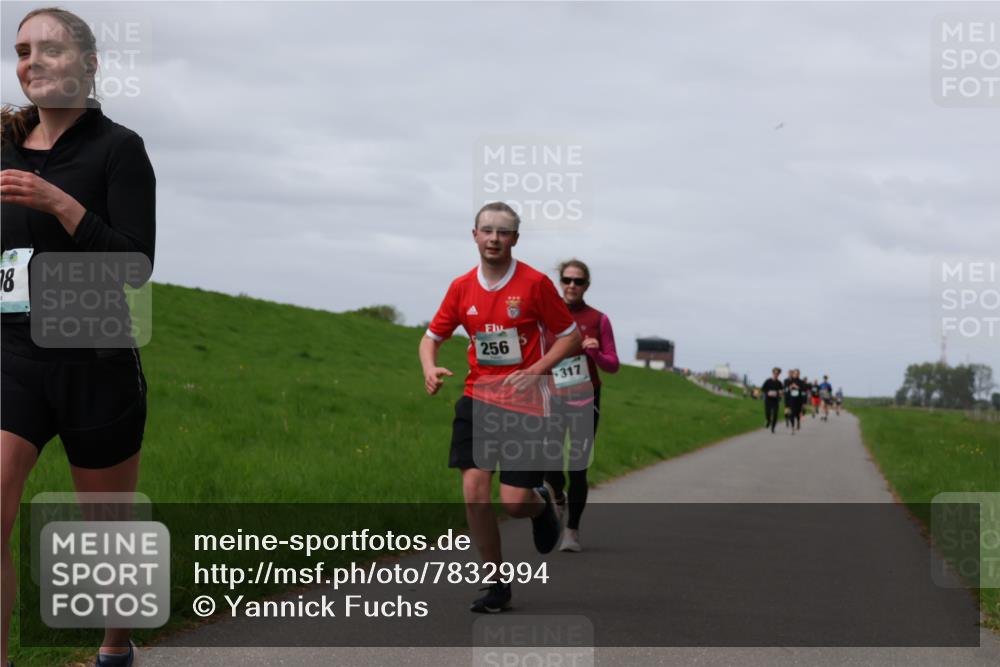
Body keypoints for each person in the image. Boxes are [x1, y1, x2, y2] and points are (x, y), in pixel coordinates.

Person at [1, 8, 155, 667]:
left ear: (90, 64)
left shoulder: (119, 148)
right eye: (21, 50)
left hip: (96, 360)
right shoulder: (2, 147)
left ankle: (116, 646)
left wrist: (59, 202)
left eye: (49, 49)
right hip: (12, 357)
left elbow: (134, 265)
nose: (31, 61)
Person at [419, 202, 581, 613]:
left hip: (527, 404)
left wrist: (537, 369)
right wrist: (430, 367)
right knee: (474, 491)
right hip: (478, 397)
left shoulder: (534, 284)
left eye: (503, 232)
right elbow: (430, 337)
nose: (494, 238)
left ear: (515, 239)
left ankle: (541, 504)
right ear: (474, 235)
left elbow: (570, 336)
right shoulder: (461, 287)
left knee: (513, 501)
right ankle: (496, 584)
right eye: (487, 230)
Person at [542, 259, 619, 553]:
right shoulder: (546, 316)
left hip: (586, 398)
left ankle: (572, 531)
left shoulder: (598, 319)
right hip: (552, 396)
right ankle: (557, 498)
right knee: (550, 461)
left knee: (577, 467)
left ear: (587, 285)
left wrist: (597, 354)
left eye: (579, 281)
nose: (572, 285)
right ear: (560, 282)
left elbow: (613, 366)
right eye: (567, 280)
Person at [761, 368, 783, 434]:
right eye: (775, 373)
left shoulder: (779, 383)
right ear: (772, 373)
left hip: (775, 401)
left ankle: (773, 428)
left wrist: (780, 393)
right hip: (768, 400)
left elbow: (781, 391)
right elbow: (763, 389)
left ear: (779, 374)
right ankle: (768, 421)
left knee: (775, 415)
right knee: (768, 414)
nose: (776, 374)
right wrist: (767, 392)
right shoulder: (768, 381)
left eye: (777, 373)